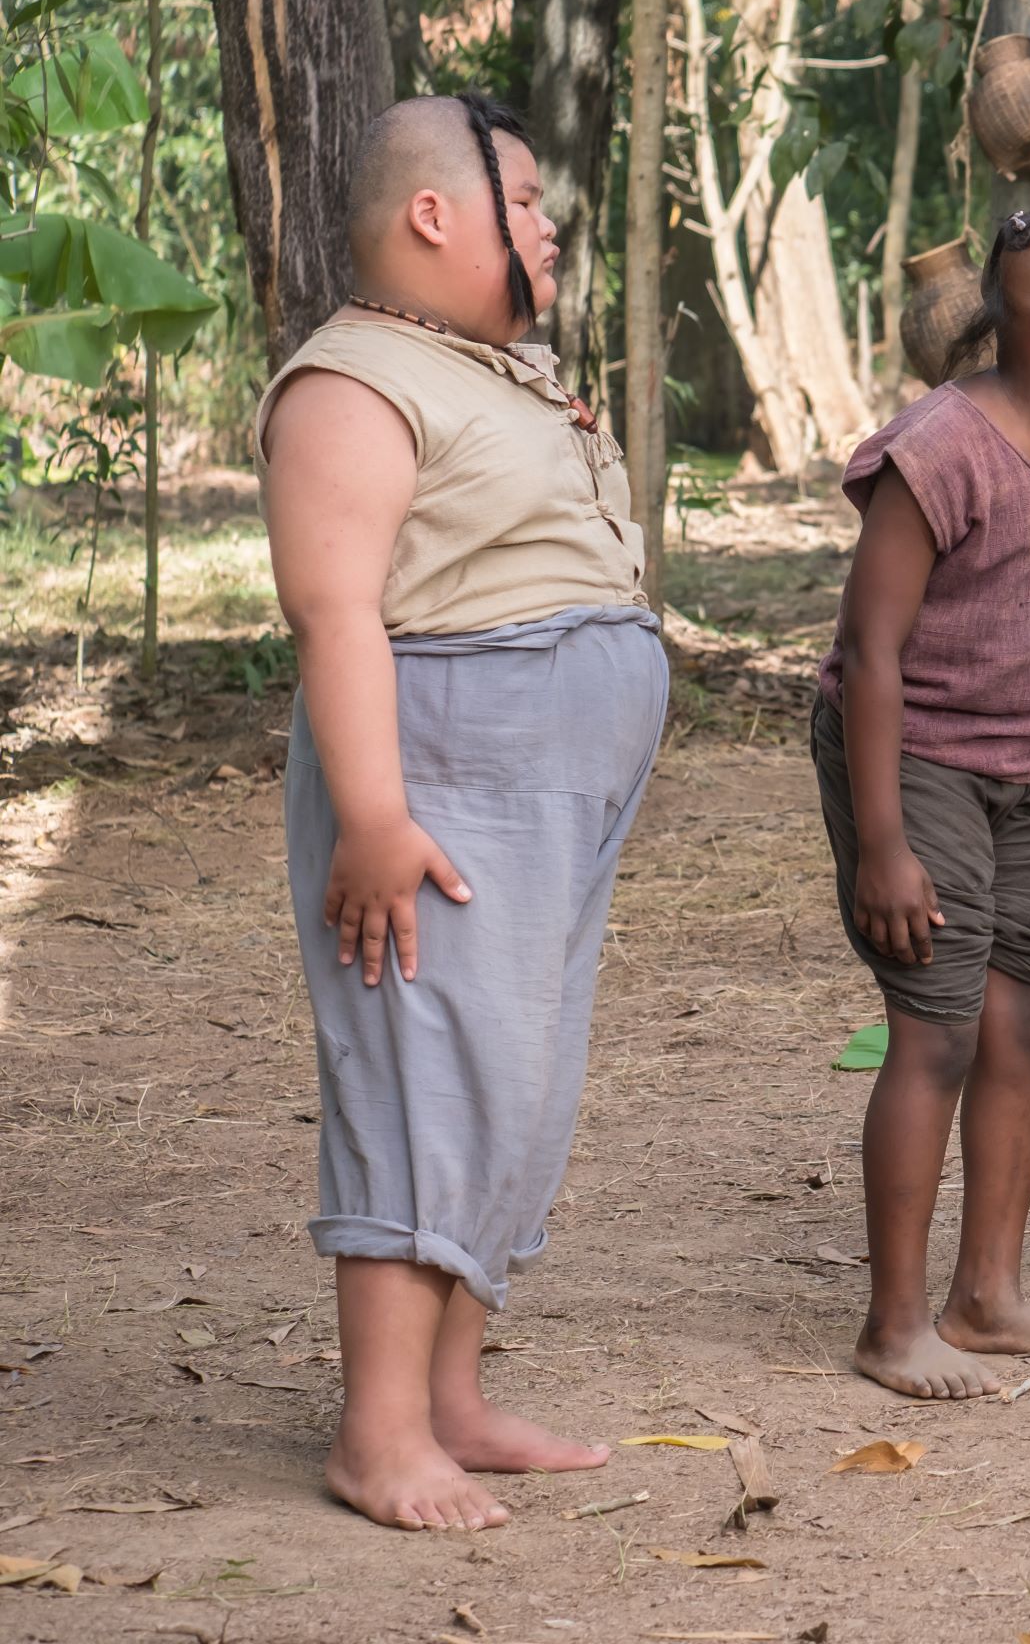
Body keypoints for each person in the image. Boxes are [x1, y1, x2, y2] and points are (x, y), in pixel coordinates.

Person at [259, 93, 667, 1532]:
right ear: (439, 215)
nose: (549, 225)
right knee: (421, 1072)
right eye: (528, 198)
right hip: (434, 778)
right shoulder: (354, 381)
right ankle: (378, 1434)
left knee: (511, 1075)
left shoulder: (486, 367)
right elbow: (335, 612)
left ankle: (451, 1397)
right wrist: (372, 816)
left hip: (542, 793)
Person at [814, 207, 1030, 1397]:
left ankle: (988, 1294)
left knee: (1026, 1022)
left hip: (1021, 761)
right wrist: (886, 844)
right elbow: (870, 652)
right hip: (909, 757)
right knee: (941, 1027)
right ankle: (893, 1320)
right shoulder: (939, 448)